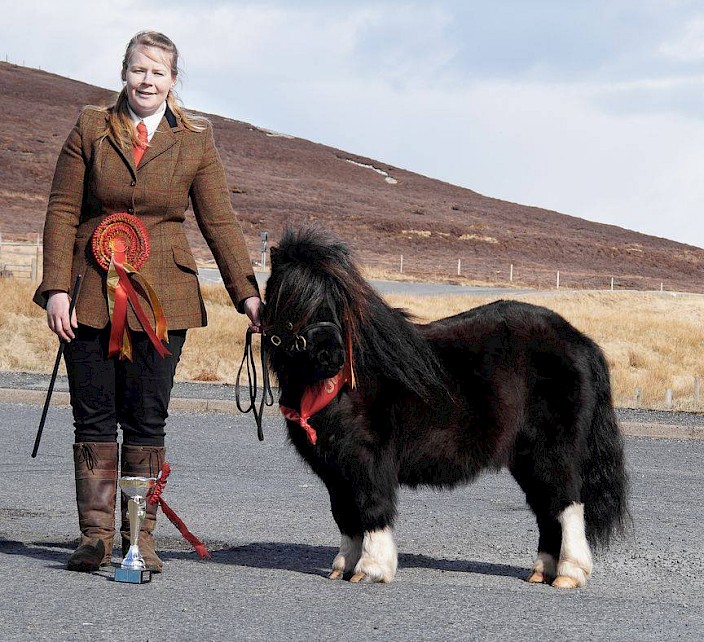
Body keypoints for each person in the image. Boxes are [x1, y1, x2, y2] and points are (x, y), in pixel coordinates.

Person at [33, 30, 263, 573]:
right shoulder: (91, 127)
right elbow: (61, 210)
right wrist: (57, 288)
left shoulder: (196, 139)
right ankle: (94, 538)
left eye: (158, 72)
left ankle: (140, 540)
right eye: (139, 70)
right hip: (90, 293)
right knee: (93, 415)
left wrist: (247, 294)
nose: (147, 80)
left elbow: (219, 221)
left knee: (146, 420)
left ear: (172, 81)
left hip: (168, 298)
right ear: (123, 73)